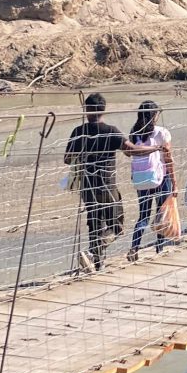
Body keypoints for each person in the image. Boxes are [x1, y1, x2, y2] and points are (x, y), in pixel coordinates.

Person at [64, 93, 127, 272]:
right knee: (118, 226)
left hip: (87, 186)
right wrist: (152, 148)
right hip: (107, 185)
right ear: (103, 110)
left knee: (95, 223)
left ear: (88, 109)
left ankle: (96, 262)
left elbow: (67, 159)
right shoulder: (111, 131)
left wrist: (83, 153)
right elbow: (129, 150)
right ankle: (95, 252)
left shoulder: (78, 132)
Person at [123, 101, 173, 262]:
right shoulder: (162, 132)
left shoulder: (134, 132)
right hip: (160, 178)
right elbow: (168, 157)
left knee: (143, 215)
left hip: (140, 178)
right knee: (161, 214)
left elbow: (129, 154)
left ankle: (134, 248)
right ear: (154, 115)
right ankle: (159, 248)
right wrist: (174, 180)